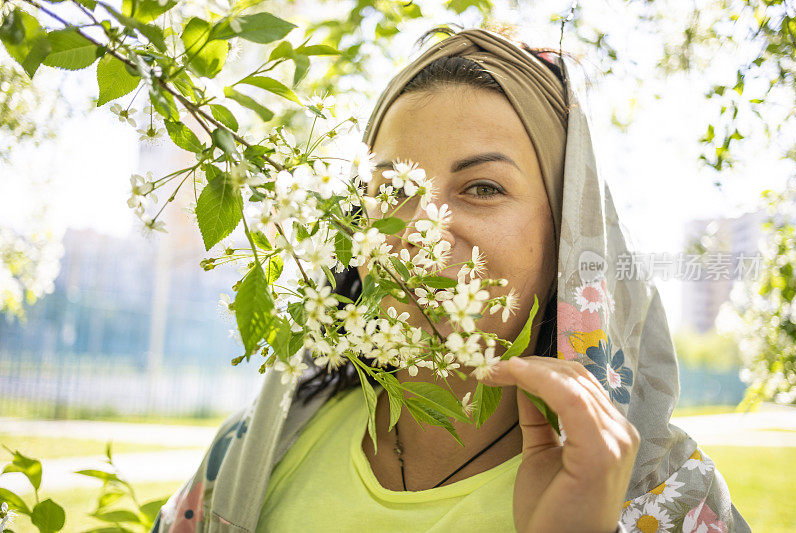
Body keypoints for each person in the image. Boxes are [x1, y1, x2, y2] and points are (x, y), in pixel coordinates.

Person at [151, 26, 751, 533]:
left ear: (568, 235)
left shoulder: (669, 499)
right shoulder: (249, 454)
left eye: (483, 188)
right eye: (392, 193)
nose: (418, 231)